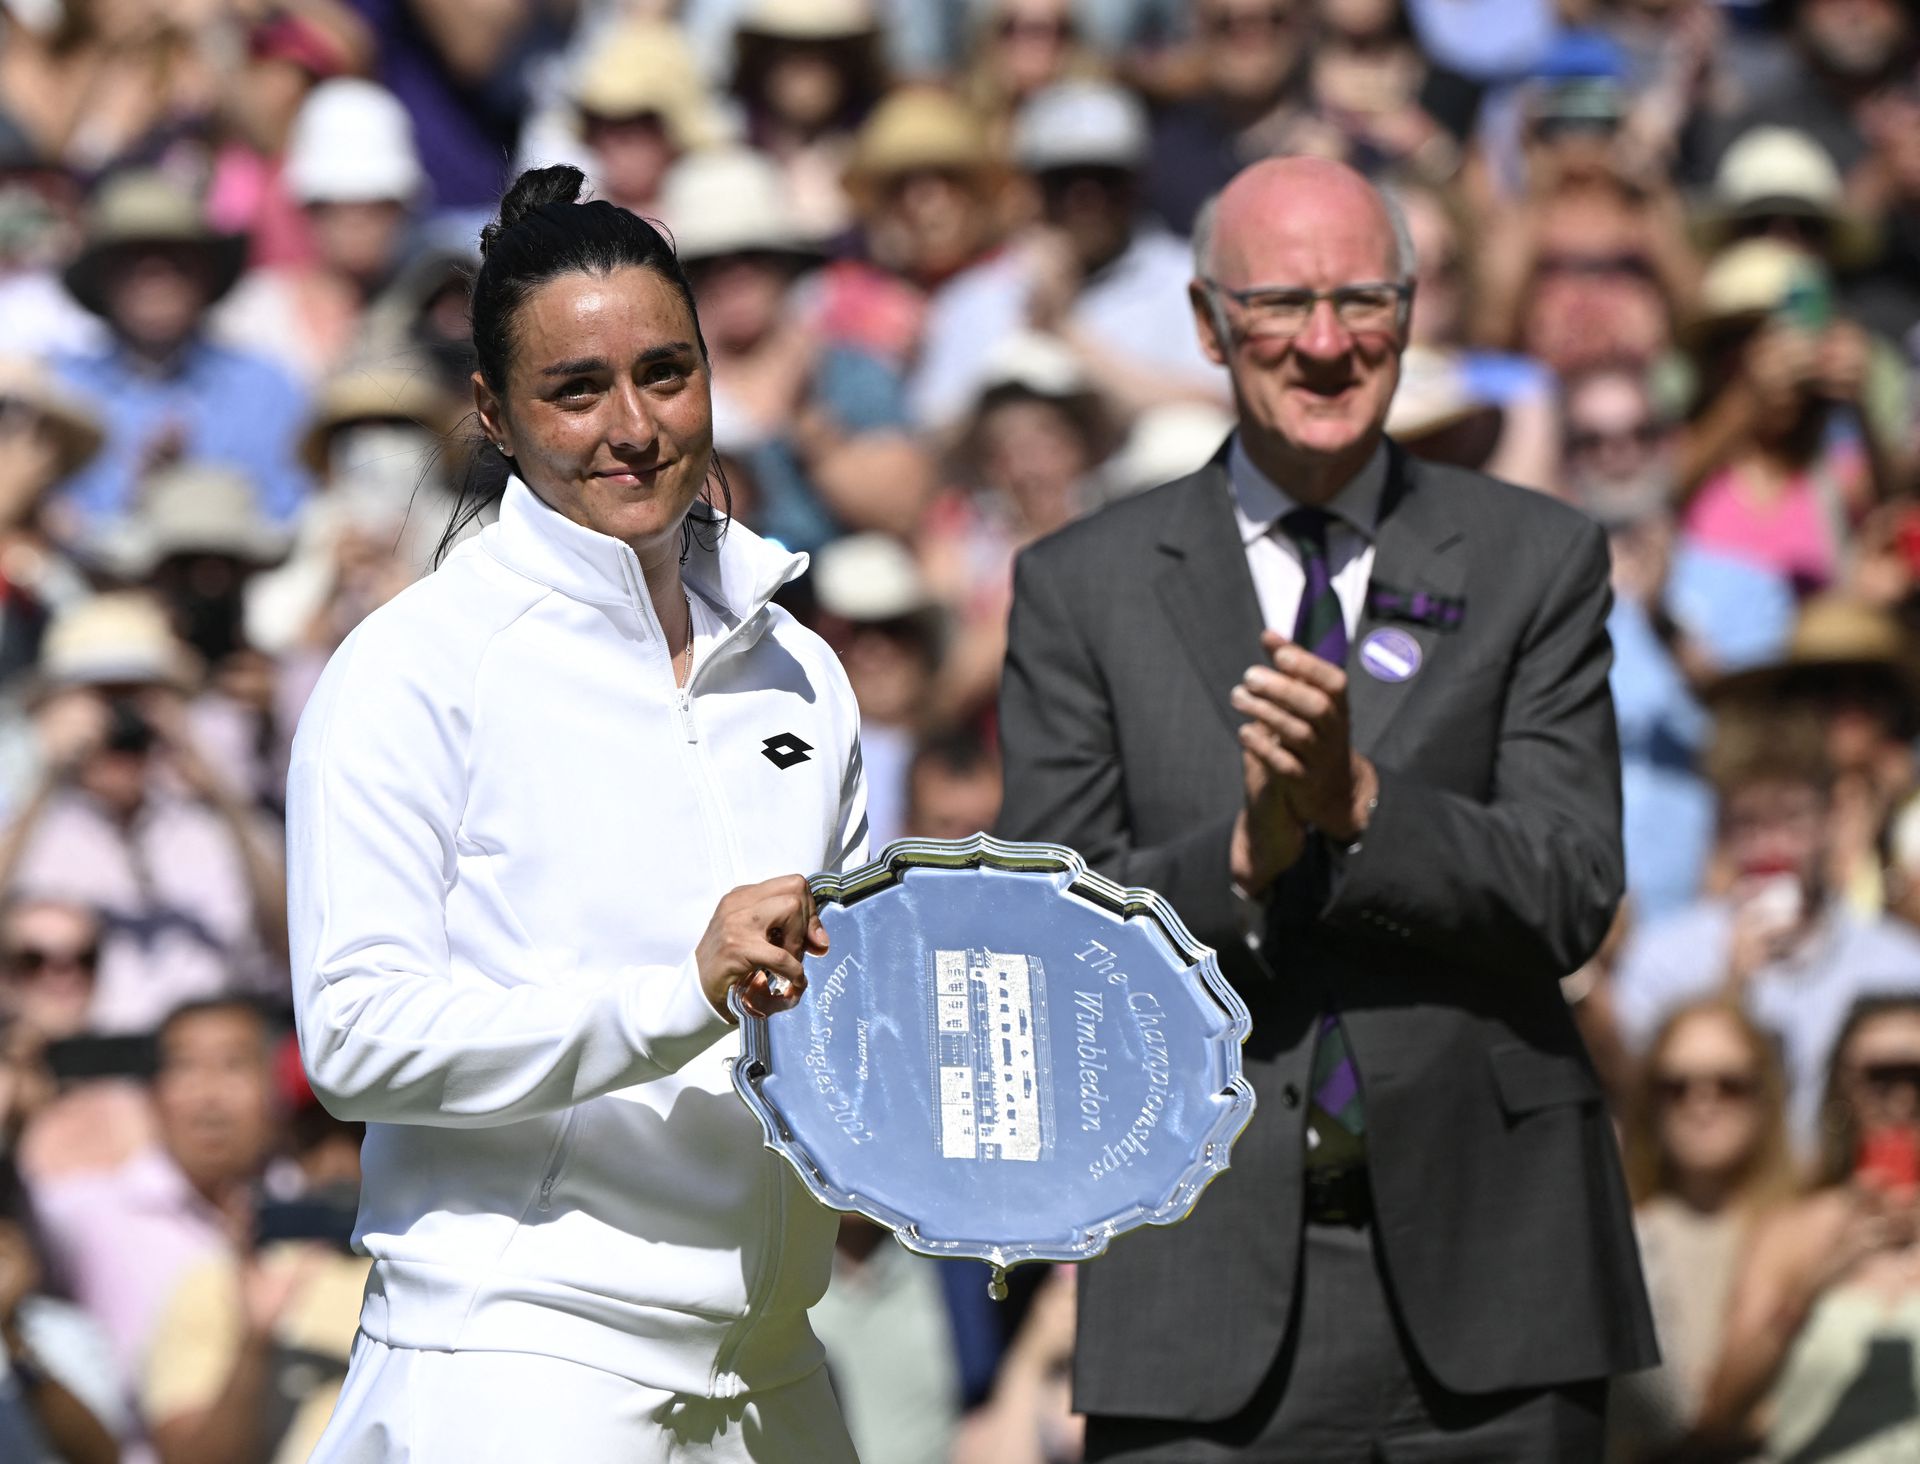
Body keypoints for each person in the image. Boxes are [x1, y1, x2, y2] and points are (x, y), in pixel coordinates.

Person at [997, 155, 1656, 1459]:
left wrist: (1362, 806)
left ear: (1411, 317)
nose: (1323, 341)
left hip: (1496, 1284)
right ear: (1206, 322)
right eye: (1280, 302)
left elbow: (1573, 885)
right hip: (1199, 1285)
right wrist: (1243, 856)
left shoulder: (1536, 559)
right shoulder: (1085, 586)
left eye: (1362, 300)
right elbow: (1040, 937)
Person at [289, 164, 866, 1462]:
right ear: (492, 411)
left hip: (774, 1375)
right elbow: (355, 1040)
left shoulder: (800, 670)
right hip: (511, 1373)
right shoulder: (414, 667)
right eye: (576, 388)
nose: (634, 426)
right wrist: (682, 992)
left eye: (667, 373)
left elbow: (845, 1016)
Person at [1613, 717, 1920, 1149]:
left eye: (1792, 819)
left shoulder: (1898, 965)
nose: (1771, 846)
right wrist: (1730, 994)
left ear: (1830, 821)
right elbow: (1647, 1114)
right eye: (1748, 824)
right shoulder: (1663, 960)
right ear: (1721, 833)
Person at [1695, 994, 1920, 1460]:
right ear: (1845, 1087)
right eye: (1882, 1077)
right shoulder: (1791, 1232)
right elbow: (1720, 1416)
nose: (1903, 1097)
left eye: (1918, 1075)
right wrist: (1811, 1286)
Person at [30, 997, 280, 1378]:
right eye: (184, 1067)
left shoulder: (313, 1208)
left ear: (273, 1087)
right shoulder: (92, 1213)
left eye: (234, 1065)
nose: (209, 1096)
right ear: (152, 1092)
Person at [1609, 998, 1798, 1460]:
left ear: (1763, 1095)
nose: (1702, 1102)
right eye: (1676, 1086)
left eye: (1729, 1085)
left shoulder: (1810, 1229)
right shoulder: (1622, 1238)